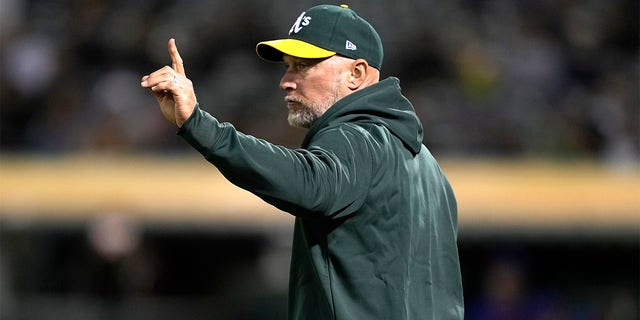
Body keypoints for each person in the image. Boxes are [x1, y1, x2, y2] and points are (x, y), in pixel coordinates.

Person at [141, 4, 463, 319]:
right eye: (287, 66)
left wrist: (200, 125)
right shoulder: (430, 169)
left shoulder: (355, 138)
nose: (286, 81)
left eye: (303, 65)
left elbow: (311, 180)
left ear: (357, 73)